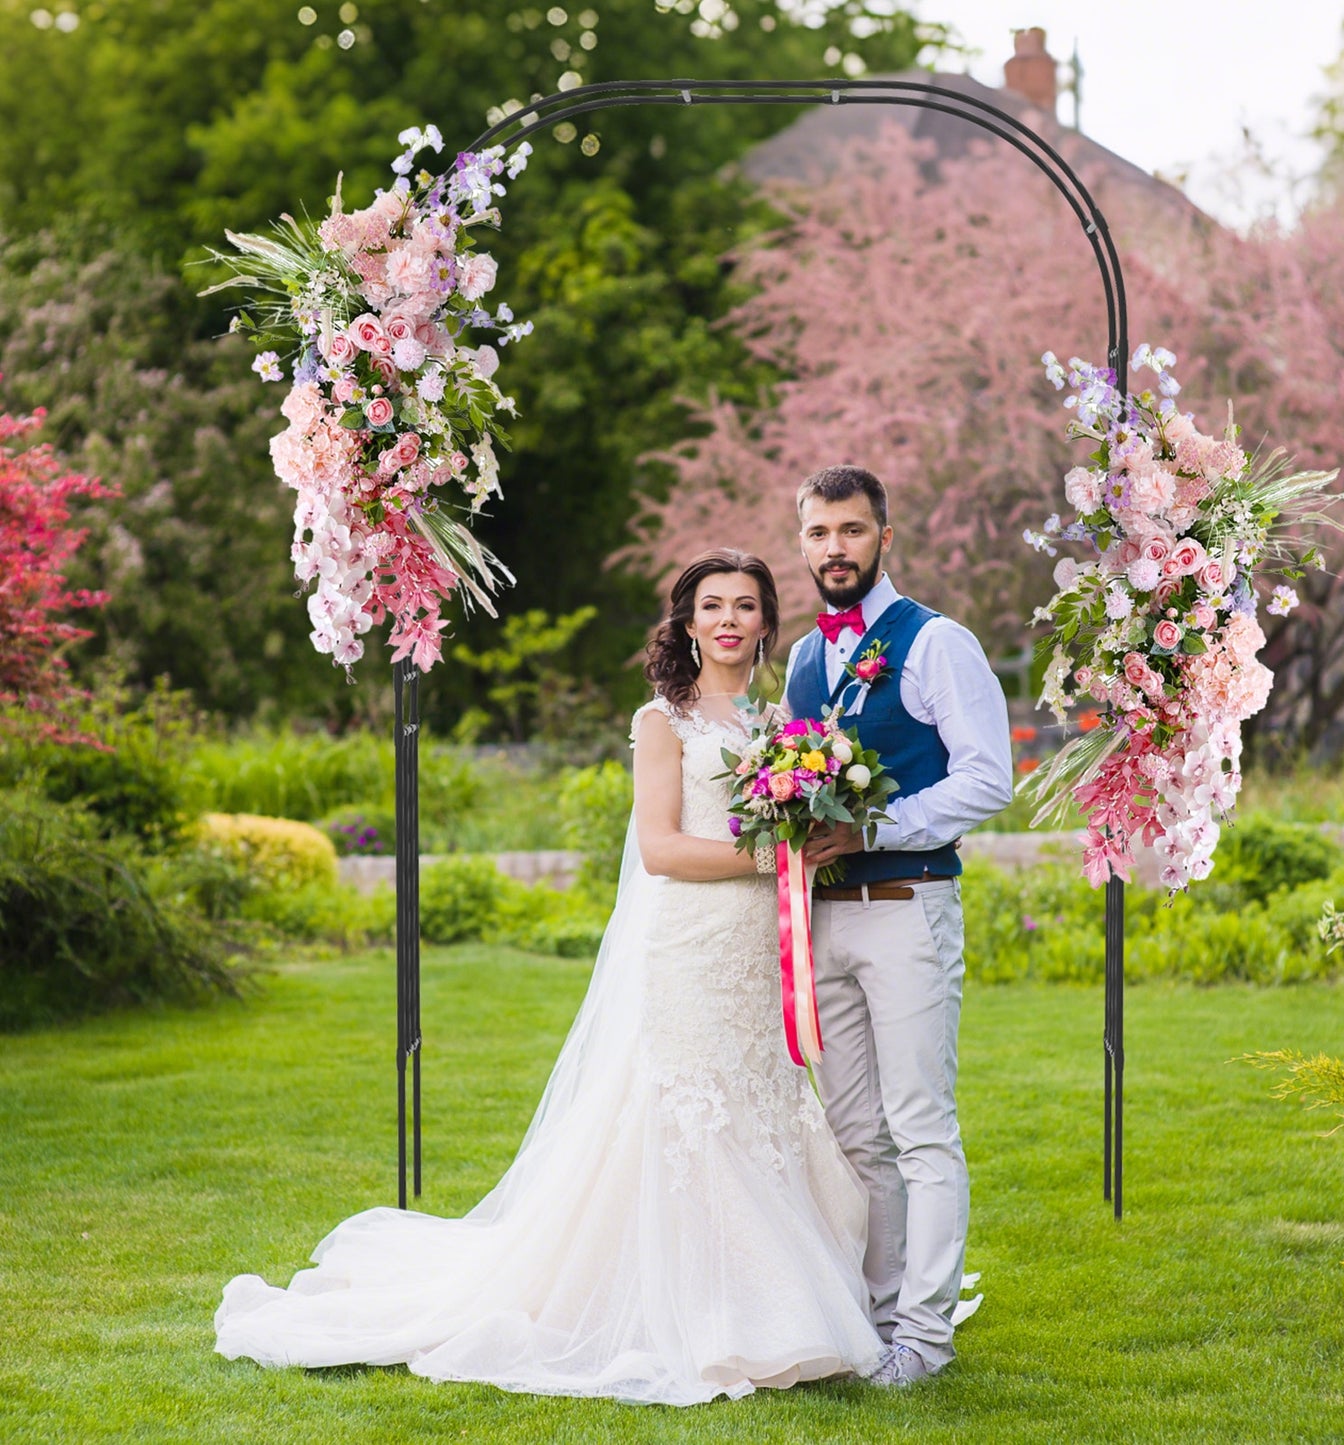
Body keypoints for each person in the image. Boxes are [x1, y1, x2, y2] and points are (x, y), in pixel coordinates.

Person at [214, 548, 886, 1405]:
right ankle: (711, 1311)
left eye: (745, 606)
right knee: (691, 1103)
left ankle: (787, 1290)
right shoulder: (661, 721)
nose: (728, 619)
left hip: (758, 947)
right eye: (711, 605)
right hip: (691, 942)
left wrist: (808, 841)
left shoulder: (777, 724)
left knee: (759, 1090)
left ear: (764, 623)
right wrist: (770, 853)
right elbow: (661, 848)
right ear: (685, 623)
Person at [785, 465, 1013, 1386]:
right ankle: (879, 1323)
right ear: (800, 542)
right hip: (823, 921)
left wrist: (873, 824)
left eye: (849, 529)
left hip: (907, 906)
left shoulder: (936, 643)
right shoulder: (802, 657)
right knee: (854, 1134)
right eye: (816, 532)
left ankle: (925, 1335)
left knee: (920, 1127)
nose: (833, 547)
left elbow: (986, 777)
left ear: (884, 535)